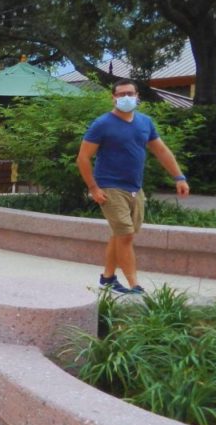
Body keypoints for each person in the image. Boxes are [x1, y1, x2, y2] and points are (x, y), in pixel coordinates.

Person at [76, 79, 189, 294]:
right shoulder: (102, 124)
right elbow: (83, 158)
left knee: (120, 234)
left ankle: (107, 278)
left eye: (130, 93)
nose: (125, 97)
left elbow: (161, 151)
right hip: (109, 186)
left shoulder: (145, 122)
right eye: (121, 94)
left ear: (138, 96)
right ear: (114, 97)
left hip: (135, 188)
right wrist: (93, 187)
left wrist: (179, 177)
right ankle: (134, 285)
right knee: (126, 235)